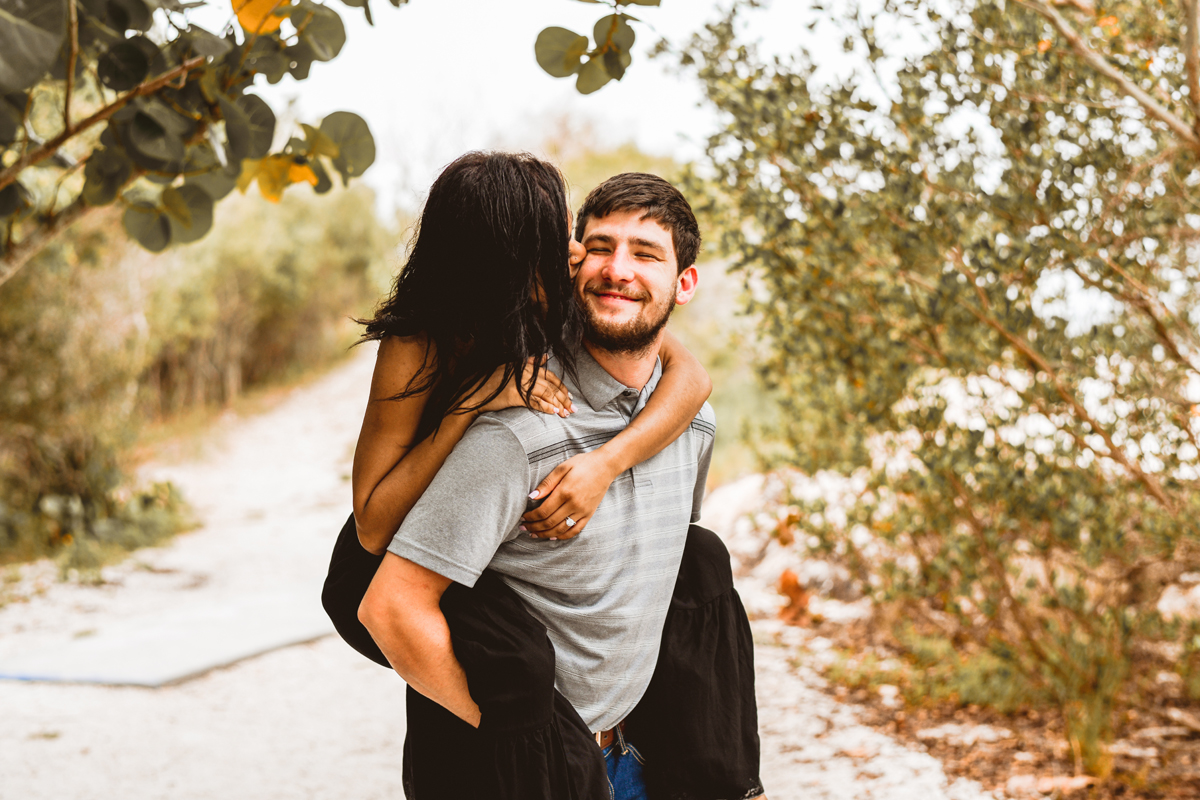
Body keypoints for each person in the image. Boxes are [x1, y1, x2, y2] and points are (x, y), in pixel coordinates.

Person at [356, 169, 765, 800]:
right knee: (505, 658)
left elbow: (686, 373)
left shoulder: (688, 423)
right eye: (594, 245)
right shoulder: (484, 401)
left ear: (685, 282)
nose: (610, 267)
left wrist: (606, 461)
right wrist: (532, 735)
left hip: (632, 759)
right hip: (529, 764)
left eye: (645, 253)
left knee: (700, 558)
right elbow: (380, 564)